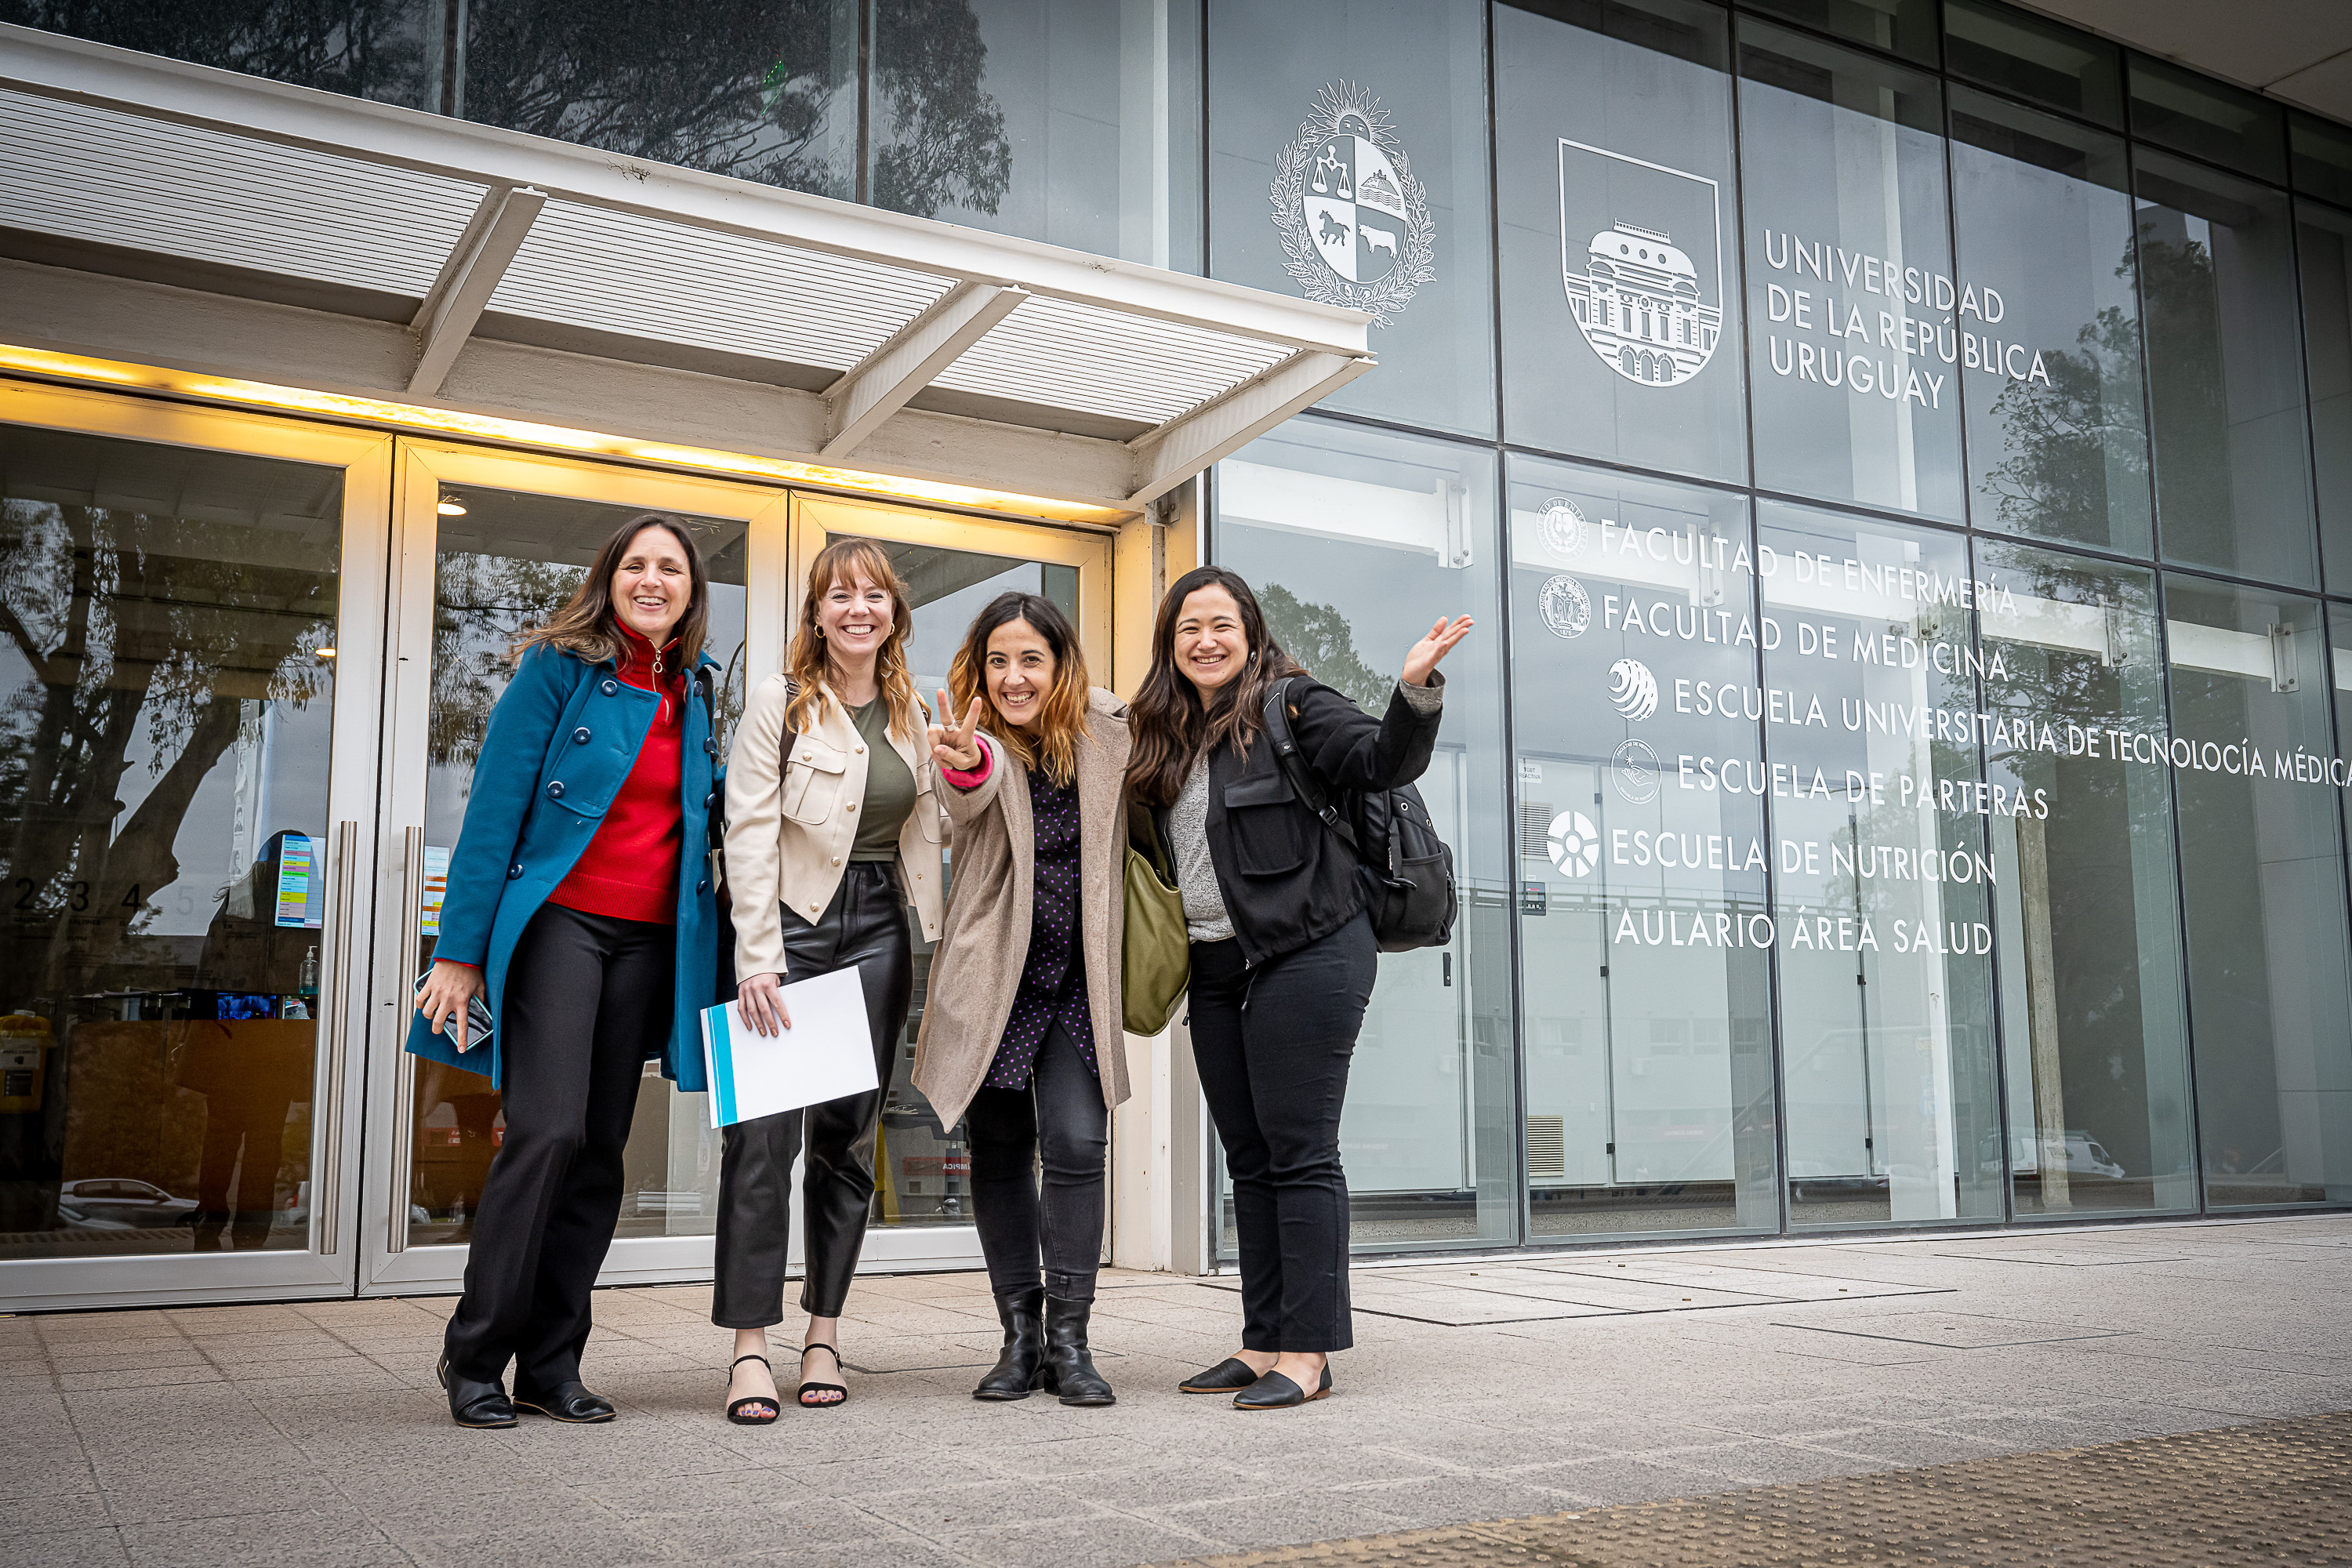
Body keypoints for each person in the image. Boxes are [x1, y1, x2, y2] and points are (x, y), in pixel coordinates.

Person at [1125, 565, 1472, 1410]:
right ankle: (1262, 1335)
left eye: (1221, 624)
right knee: (1250, 1159)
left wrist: (1414, 686)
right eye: (1187, 628)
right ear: (1170, 646)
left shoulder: (1293, 705)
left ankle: (1308, 1350)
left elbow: (1379, 759)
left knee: (1301, 1149)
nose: (1205, 640)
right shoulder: (1165, 735)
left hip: (1309, 947)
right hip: (1214, 964)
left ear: (1250, 631)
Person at [408, 513, 724, 1429]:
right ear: (611, 576)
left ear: (691, 591)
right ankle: (474, 1356)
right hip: (561, 926)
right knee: (544, 1131)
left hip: (648, 943)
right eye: (638, 564)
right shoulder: (559, 665)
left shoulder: (694, 690)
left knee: (598, 1152)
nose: (654, 579)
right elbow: (495, 807)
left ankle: (552, 1363)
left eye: (672, 567)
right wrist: (459, 950)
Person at [714, 539, 949, 1419]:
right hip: (795, 930)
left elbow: (940, 825)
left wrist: (963, 764)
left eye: (874, 595)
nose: (859, 608)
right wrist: (759, 956)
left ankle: (823, 1332)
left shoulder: (917, 711)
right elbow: (748, 831)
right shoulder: (780, 701)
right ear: (816, 614)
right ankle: (748, 1347)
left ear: (894, 612)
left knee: (847, 1143)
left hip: (881, 929)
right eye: (840, 595)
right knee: (762, 1141)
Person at [915, 592, 1131, 1406]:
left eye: (1030, 659)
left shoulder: (1107, 733)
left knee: (1078, 1143)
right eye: (998, 659)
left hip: (1076, 978)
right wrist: (964, 759)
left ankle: (1071, 1342)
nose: (1013, 676)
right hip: (996, 977)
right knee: (1001, 1152)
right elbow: (961, 797)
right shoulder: (966, 739)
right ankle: (1020, 1336)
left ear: (1060, 665)